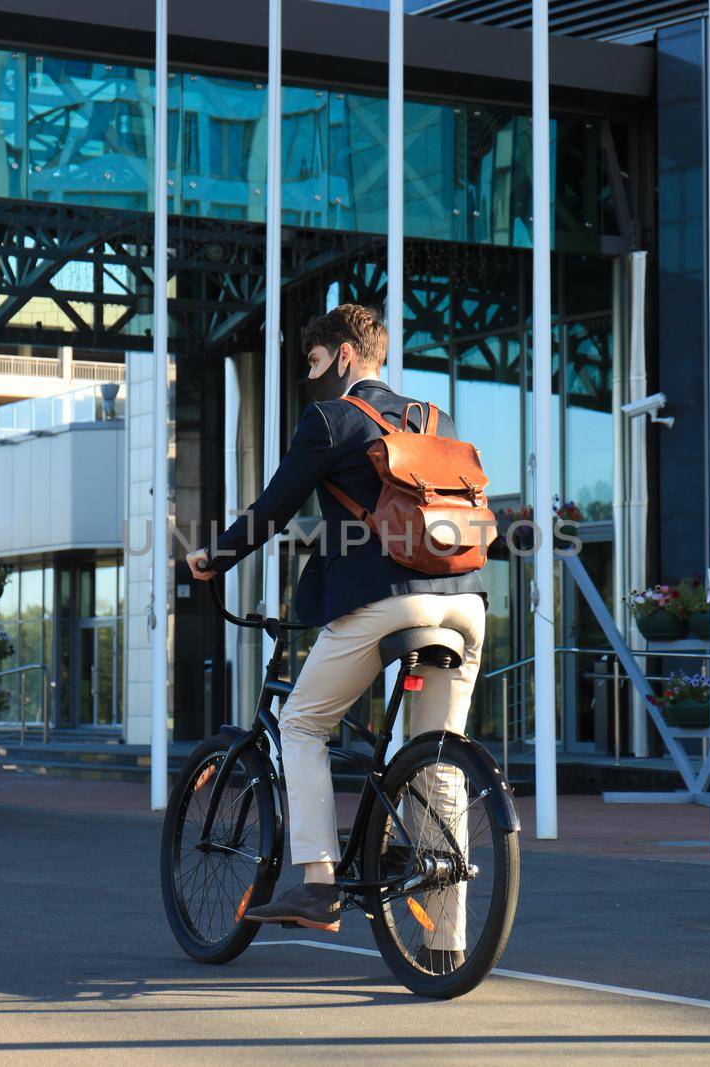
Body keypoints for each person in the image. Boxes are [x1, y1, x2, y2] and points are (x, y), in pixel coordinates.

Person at [186, 304, 486, 938]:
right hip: (465, 603)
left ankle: (319, 884)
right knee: (438, 761)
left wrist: (211, 559)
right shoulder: (436, 419)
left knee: (300, 724)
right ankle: (448, 944)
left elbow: (272, 510)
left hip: (388, 601)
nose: (311, 377)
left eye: (316, 362)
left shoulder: (331, 418)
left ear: (346, 356)